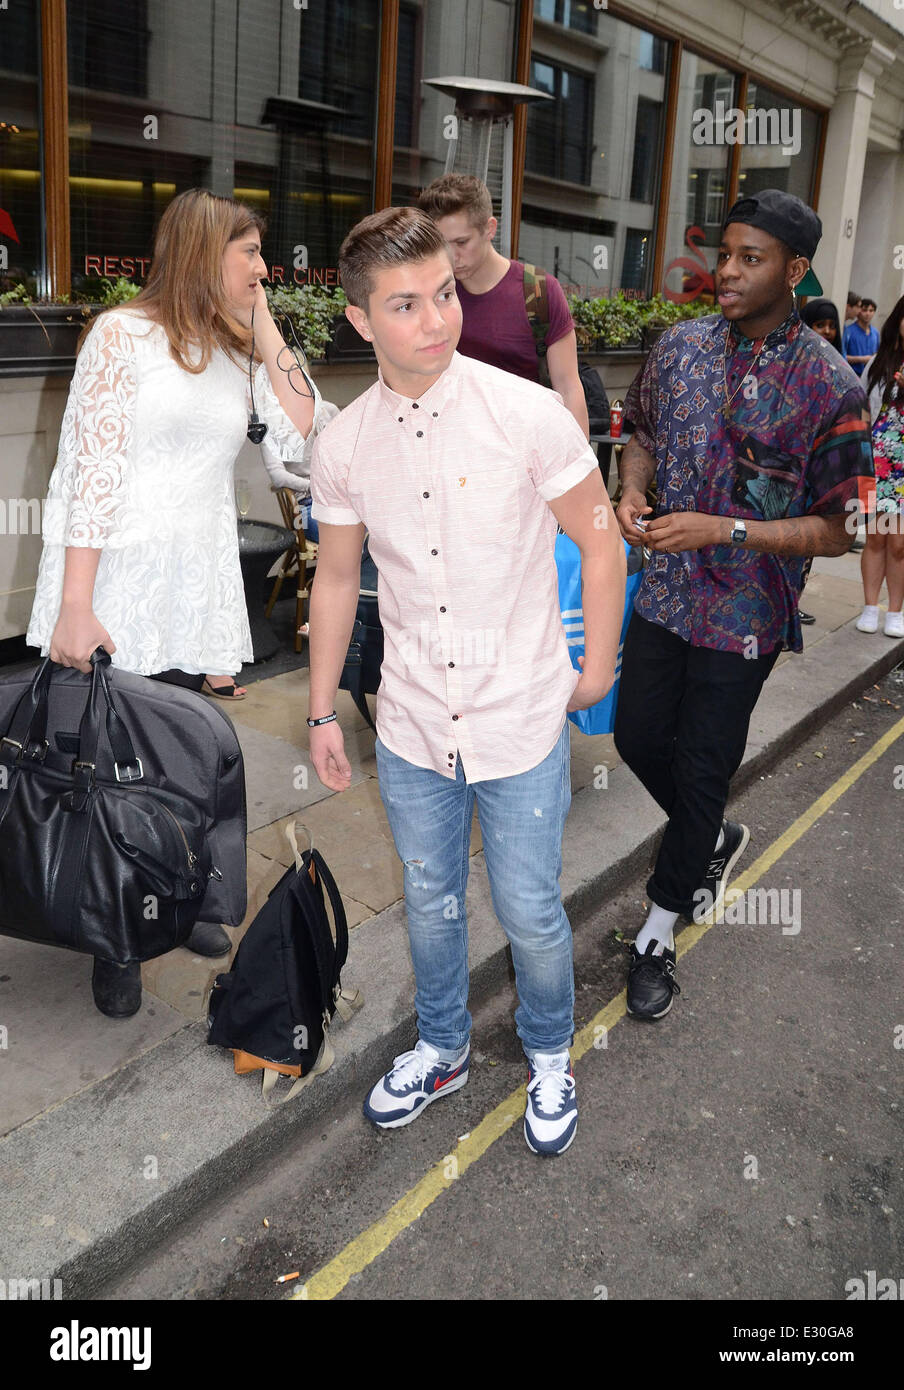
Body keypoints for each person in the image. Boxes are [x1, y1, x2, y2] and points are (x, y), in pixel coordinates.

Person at [307, 207, 625, 1155]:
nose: (436, 319)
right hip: (409, 721)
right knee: (432, 897)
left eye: (443, 292)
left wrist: (595, 667)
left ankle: (548, 1053)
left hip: (520, 712)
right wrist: (322, 708)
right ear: (362, 321)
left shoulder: (524, 411)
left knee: (530, 908)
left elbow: (600, 541)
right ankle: (442, 1046)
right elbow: (333, 579)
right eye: (405, 305)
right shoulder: (345, 443)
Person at [26, 188, 322, 1018]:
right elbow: (90, 470)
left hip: (195, 586)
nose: (264, 269)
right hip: (115, 582)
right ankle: (111, 940)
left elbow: (304, 436)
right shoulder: (122, 336)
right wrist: (75, 603)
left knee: (180, 768)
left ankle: (175, 899)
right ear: (202, 251)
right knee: (110, 774)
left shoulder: (236, 350)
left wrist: (265, 328)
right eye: (250, 254)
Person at [614, 189, 872, 1020]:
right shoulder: (679, 345)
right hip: (662, 594)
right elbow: (642, 431)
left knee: (701, 769)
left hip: (745, 616)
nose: (724, 271)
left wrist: (725, 529)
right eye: (723, 253)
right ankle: (710, 836)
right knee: (636, 735)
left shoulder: (835, 387)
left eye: (748, 258)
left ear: (794, 271)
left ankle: (658, 926)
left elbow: (845, 533)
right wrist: (631, 490)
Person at [417, 173, 589, 438]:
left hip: (524, 447)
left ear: (490, 229)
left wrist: (580, 468)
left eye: (462, 242)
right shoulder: (428, 294)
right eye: (442, 244)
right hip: (449, 445)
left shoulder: (538, 290)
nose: (452, 256)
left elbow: (568, 386)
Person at [855, 295, 904, 638]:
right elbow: (860, 411)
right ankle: (871, 605)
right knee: (875, 536)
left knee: (899, 542)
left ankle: (896, 610)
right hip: (877, 464)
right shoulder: (878, 363)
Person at [843, 296, 879, 376]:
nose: (868, 314)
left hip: (869, 375)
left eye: (871, 311)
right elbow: (841, 356)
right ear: (859, 311)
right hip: (851, 374)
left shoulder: (875, 333)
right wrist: (861, 359)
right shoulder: (848, 331)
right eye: (864, 310)